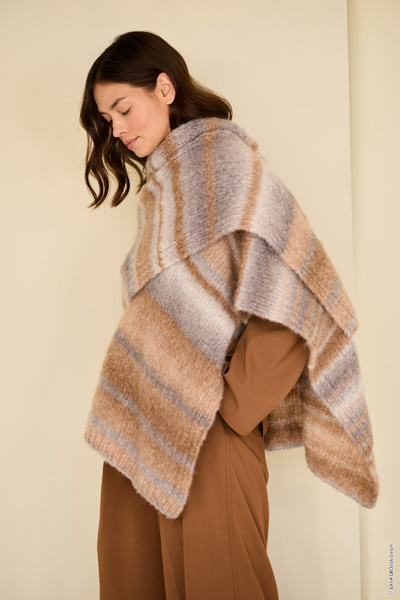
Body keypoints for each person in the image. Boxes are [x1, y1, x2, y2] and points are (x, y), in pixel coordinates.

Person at [80, 31, 378, 600]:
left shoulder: (224, 166)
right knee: (138, 578)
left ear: (164, 88)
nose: (116, 129)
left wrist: (231, 410)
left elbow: (298, 292)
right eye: (107, 119)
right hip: (146, 430)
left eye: (123, 108)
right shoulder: (163, 189)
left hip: (206, 437)